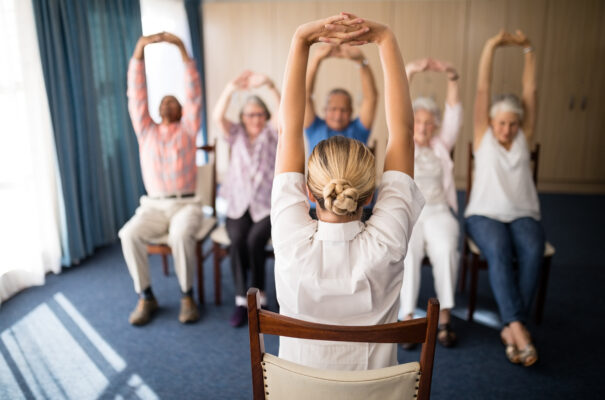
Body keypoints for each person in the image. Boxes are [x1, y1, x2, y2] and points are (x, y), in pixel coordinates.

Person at [271, 13, 424, 370]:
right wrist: (386, 38)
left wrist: (300, 40)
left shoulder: (290, 242)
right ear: (370, 196)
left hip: (298, 394)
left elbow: (287, 133)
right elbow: (403, 135)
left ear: (309, 191)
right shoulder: (386, 244)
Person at [465, 30, 543, 367]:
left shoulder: (525, 138)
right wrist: (491, 45)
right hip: (484, 213)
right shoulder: (484, 136)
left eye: (512, 124)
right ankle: (517, 328)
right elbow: (482, 89)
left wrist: (527, 48)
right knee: (498, 251)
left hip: (523, 212)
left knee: (532, 250)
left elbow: (531, 91)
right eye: (501, 123)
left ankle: (513, 327)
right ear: (491, 122)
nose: (507, 129)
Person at [119, 32, 203, 326]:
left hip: (186, 205)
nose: (168, 102)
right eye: (163, 100)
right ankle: (146, 296)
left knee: (181, 235)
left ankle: (187, 295)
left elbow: (193, 92)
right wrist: (139, 52)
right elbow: (136, 94)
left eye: (173, 101)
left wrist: (181, 48)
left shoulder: (189, 130)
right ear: (155, 111)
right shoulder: (147, 132)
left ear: (182, 111)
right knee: (128, 234)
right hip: (152, 207)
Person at [399, 58, 463, 349]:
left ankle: (446, 317)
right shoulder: (403, 143)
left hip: (438, 210)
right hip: (410, 212)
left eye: (428, 122)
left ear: (435, 125)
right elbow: (398, 108)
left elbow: (454, 113)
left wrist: (451, 77)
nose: (423, 127)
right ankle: (408, 317)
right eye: (418, 121)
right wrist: (409, 72)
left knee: (447, 248)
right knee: (408, 252)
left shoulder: (441, 145)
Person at [212, 71, 280, 327]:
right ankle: (243, 300)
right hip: (238, 203)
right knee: (238, 239)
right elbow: (218, 116)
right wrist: (230, 88)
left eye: (260, 114)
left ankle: (260, 297)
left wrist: (271, 86)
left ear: (266, 116)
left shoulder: (272, 134)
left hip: (266, 206)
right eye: (250, 114)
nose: (255, 119)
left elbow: (285, 112)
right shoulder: (236, 133)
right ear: (242, 117)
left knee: (254, 241)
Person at [304, 42, 378, 152]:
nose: (338, 116)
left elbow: (371, 98)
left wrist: (361, 61)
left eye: (343, 110)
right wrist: (316, 60)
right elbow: (304, 96)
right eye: (333, 109)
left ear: (351, 111)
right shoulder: (314, 128)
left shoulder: (358, 129)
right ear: (325, 110)